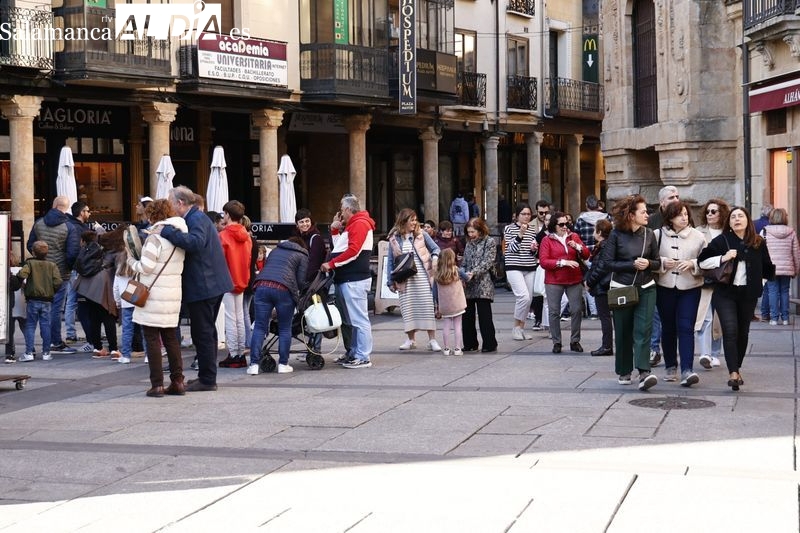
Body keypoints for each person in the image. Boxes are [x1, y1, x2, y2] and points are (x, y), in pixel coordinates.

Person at [160, 185, 234, 392]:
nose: (170, 206)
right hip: (209, 283)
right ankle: (206, 375)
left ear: (180, 203)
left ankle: (208, 379)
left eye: (170, 202)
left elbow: (195, 243)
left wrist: (168, 232)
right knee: (205, 331)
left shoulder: (196, 218)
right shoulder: (195, 218)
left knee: (202, 332)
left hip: (205, 284)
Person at [698, 206, 775, 391]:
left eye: (741, 216)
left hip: (747, 295)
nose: (737, 219)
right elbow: (702, 261)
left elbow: (767, 267)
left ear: (748, 220)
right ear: (729, 222)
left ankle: (737, 368)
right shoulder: (722, 240)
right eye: (733, 217)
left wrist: (759, 283)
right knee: (730, 330)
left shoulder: (758, 242)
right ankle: (733, 373)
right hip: (725, 293)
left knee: (743, 333)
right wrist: (724, 257)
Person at [597, 194, 661, 391]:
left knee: (644, 329)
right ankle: (624, 370)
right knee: (623, 331)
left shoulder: (649, 234)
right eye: (643, 212)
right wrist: (631, 265)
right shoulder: (616, 235)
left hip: (646, 287)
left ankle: (644, 371)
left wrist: (649, 263)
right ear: (631, 215)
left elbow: (657, 262)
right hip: (622, 288)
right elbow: (607, 263)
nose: (647, 215)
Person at [126, 199, 188, 397]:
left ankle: (157, 385)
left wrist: (131, 261)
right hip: (172, 294)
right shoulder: (178, 235)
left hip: (153, 296)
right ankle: (178, 381)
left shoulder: (155, 238)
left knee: (152, 338)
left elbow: (146, 267)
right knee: (171, 339)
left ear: (152, 215)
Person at [653, 201, 706, 387]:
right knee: (668, 327)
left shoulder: (699, 236)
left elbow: (705, 262)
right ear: (670, 218)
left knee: (686, 326)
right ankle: (670, 366)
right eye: (679, 215)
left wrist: (693, 264)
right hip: (665, 286)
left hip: (690, 287)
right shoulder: (657, 235)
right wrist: (662, 263)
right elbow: (650, 259)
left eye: (686, 214)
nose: (684, 218)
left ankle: (687, 370)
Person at [321, 193, 376, 369]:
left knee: (358, 319)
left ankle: (363, 355)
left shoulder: (359, 224)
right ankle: (354, 352)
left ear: (346, 209)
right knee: (350, 319)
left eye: (341, 209)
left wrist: (331, 264)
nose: (340, 213)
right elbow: (340, 248)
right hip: (348, 278)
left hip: (354, 279)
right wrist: (335, 230)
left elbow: (353, 251)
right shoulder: (354, 224)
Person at [247, 236, 309, 375]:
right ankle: (283, 364)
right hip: (284, 289)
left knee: (259, 327)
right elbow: (300, 280)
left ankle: (254, 365)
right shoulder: (302, 254)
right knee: (284, 328)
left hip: (262, 285)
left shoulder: (275, 250)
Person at [26, 196, 77, 355]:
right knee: (55, 309)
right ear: (66, 208)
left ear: (54, 205)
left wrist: (40, 261)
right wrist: (66, 269)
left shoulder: (39, 223)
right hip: (59, 273)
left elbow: (30, 245)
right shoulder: (69, 227)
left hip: (39, 274)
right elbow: (72, 253)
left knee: (36, 311)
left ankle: (34, 345)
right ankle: (55, 341)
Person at [386, 208, 442, 351]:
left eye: (415, 219)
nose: (415, 222)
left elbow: (436, 249)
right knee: (408, 308)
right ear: (404, 221)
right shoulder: (394, 237)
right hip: (404, 279)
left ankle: (432, 340)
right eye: (412, 220)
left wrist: (434, 258)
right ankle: (411, 340)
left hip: (422, 276)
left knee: (427, 306)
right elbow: (391, 262)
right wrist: (390, 281)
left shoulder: (421, 234)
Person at [538, 211, 590, 353]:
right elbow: (544, 261)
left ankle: (575, 341)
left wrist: (578, 247)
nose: (565, 226)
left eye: (567, 223)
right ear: (554, 226)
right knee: (554, 312)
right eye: (561, 224)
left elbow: (586, 254)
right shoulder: (547, 240)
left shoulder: (574, 236)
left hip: (574, 279)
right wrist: (563, 262)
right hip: (554, 280)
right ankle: (557, 342)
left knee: (576, 310)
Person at [646, 185, 681, 367]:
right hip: (656, 274)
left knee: (673, 317)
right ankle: (654, 349)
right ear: (662, 202)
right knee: (656, 315)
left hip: (679, 276)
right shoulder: (652, 221)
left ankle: (670, 350)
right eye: (671, 197)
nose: (676, 200)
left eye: (677, 196)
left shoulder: (684, 217)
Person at [74, 230, 120, 359]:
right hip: (103, 286)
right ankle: (114, 349)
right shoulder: (104, 251)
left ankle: (97, 348)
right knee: (108, 317)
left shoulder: (85, 251)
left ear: (83, 240)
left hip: (86, 287)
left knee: (94, 318)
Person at [217, 200, 253, 369]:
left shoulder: (223, 235)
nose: (223, 217)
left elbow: (218, 260)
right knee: (239, 317)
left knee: (231, 319)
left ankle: (234, 353)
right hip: (242, 279)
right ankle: (240, 352)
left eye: (224, 214)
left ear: (229, 215)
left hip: (228, 279)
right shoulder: (246, 236)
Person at [695, 199, 730, 370]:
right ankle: (705, 354)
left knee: (720, 319)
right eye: (708, 211)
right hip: (704, 281)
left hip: (724, 282)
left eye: (714, 211)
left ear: (721, 213)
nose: (709, 214)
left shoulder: (727, 233)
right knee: (705, 317)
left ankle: (716, 354)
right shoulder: (699, 232)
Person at [17, 241, 62, 362]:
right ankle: (46, 353)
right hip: (47, 300)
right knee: (45, 326)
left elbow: (22, 274)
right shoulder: (52, 265)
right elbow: (58, 282)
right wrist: (51, 290)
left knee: (30, 326)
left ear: (33, 252)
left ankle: (29, 352)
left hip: (33, 299)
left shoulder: (30, 263)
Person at [295, 208, 328, 358]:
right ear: (297, 224)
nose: (305, 224)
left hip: (314, 284)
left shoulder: (316, 238)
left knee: (315, 316)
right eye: (301, 222)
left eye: (307, 221)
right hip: (306, 284)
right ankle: (311, 348)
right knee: (307, 317)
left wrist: (303, 282)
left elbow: (313, 264)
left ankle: (316, 350)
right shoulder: (300, 238)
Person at [461, 217, 498, 353]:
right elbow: (464, 261)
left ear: (480, 230)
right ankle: (470, 343)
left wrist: (473, 272)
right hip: (469, 283)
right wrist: (463, 273)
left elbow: (488, 261)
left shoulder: (489, 241)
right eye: (469, 232)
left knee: (484, 315)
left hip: (483, 283)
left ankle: (489, 343)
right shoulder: (469, 244)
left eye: (473, 232)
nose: (470, 235)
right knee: (467, 315)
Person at [503, 202, 538, 341]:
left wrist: (534, 249)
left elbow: (533, 252)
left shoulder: (533, 229)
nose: (526, 217)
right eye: (523, 214)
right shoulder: (509, 229)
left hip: (529, 266)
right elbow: (511, 249)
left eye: (528, 214)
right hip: (514, 266)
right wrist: (520, 234)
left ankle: (521, 328)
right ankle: (516, 327)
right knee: (522, 296)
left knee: (528, 300)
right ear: (517, 215)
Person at [763, 208, 800, 326]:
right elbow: (796, 253)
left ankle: (774, 318)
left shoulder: (765, 232)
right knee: (784, 291)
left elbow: (760, 251)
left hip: (771, 267)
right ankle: (785, 318)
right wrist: (796, 269)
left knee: (772, 292)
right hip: (787, 267)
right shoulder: (791, 232)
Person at [64, 201, 95, 344]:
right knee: (74, 301)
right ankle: (72, 332)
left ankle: (71, 333)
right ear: (81, 212)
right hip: (78, 269)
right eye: (87, 211)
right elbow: (75, 251)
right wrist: (77, 267)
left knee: (71, 301)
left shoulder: (73, 225)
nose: (89, 213)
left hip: (75, 268)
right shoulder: (77, 228)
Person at [584, 218, 613, 356]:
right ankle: (607, 345)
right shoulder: (604, 245)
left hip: (603, 286)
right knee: (606, 317)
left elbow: (600, 268)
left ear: (600, 232)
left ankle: (607, 346)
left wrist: (589, 282)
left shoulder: (604, 246)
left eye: (595, 229)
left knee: (605, 317)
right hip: (603, 285)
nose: (593, 232)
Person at [434, 249, 467, 355]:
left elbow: (434, 292)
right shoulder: (457, 270)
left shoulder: (437, 274)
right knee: (458, 326)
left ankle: (446, 348)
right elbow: (466, 278)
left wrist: (437, 305)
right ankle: (457, 348)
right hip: (457, 303)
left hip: (445, 305)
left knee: (446, 325)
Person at [528, 201, 551, 330]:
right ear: (536, 212)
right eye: (541, 213)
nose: (543, 215)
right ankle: (538, 318)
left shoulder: (555, 226)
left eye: (546, 213)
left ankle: (547, 320)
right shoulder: (532, 226)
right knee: (537, 293)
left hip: (549, 263)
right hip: (536, 262)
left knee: (547, 294)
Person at [112, 247, 136, 364]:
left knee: (127, 330)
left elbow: (115, 288)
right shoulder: (138, 267)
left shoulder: (119, 271)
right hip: (139, 301)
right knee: (144, 330)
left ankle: (126, 355)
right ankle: (148, 355)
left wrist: (118, 301)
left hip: (126, 302)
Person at [5, 254, 26, 363]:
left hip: (9, 305)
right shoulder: (20, 270)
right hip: (21, 304)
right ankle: (30, 349)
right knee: (25, 328)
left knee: (10, 331)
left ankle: (10, 352)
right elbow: (22, 285)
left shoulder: (4, 270)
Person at [755, 203, 774, 322]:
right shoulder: (770, 226)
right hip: (768, 258)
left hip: (756, 258)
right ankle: (767, 313)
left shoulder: (754, 223)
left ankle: (757, 313)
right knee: (769, 288)